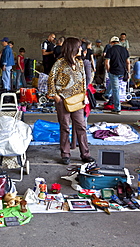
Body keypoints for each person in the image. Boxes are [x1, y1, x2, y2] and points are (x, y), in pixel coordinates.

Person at [47, 37, 95, 165]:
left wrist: (84, 95)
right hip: (63, 100)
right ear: (72, 48)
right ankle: (65, 154)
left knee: (81, 126)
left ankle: (85, 154)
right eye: (79, 47)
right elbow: (51, 79)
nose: (81, 49)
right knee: (65, 127)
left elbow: (83, 80)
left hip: (78, 100)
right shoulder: (59, 63)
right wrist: (55, 96)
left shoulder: (80, 63)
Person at [104, 36, 130, 114]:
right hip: (122, 71)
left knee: (116, 90)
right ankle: (106, 95)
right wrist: (128, 72)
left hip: (114, 71)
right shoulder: (125, 50)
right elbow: (128, 62)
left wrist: (108, 70)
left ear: (112, 43)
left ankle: (117, 108)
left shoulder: (110, 50)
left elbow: (106, 62)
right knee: (114, 84)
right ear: (118, 42)